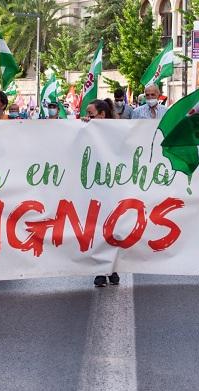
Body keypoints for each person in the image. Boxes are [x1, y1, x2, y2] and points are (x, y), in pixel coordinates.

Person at [83, 99, 120, 287]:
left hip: (113, 186)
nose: (86, 116)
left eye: (90, 113)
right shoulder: (86, 129)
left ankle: (112, 268)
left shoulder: (118, 131)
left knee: (113, 228)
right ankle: (100, 271)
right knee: (96, 228)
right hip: (93, 187)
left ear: (102, 114)